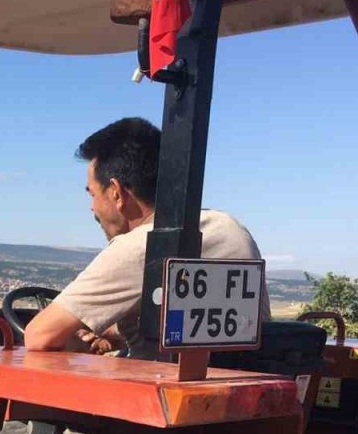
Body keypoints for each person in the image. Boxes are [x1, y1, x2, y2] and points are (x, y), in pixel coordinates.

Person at [24, 117, 266, 355]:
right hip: (255, 382)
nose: (92, 207)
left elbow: (38, 336)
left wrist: (74, 344)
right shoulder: (231, 229)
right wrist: (116, 333)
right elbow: (201, 327)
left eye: (92, 195)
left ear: (117, 193)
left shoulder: (138, 248)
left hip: (163, 389)